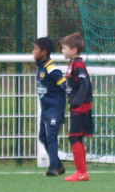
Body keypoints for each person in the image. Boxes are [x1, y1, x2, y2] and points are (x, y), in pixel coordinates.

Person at [60, 32, 93, 182]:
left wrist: (77, 101)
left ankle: (81, 172)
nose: (62, 51)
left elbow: (85, 84)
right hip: (77, 105)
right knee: (76, 137)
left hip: (81, 107)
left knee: (74, 136)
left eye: (64, 48)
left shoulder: (78, 65)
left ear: (74, 50)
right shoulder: (73, 63)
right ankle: (82, 172)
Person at [32, 36, 67, 177]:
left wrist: (75, 99)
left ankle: (53, 167)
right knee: (43, 136)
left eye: (35, 49)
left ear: (44, 52)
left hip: (54, 109)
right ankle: (58, 165)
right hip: (46, 109)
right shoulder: (41, 67)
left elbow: (65, 86)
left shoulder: (52, 69)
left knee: (52, 136)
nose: (33, 52)